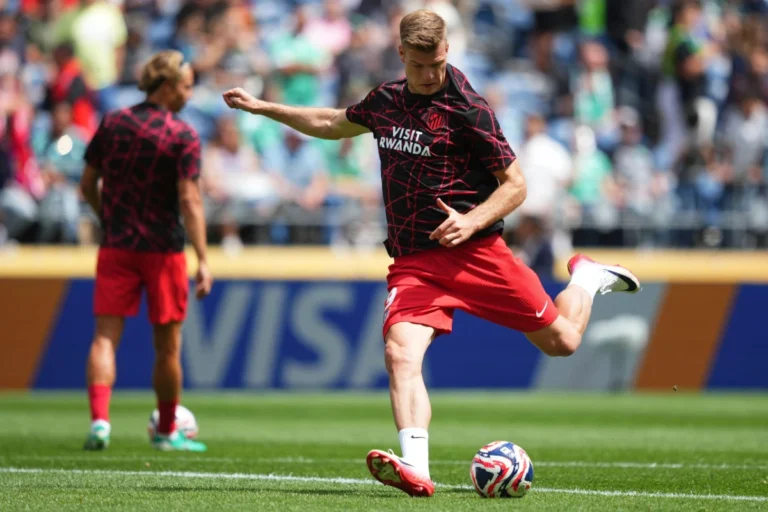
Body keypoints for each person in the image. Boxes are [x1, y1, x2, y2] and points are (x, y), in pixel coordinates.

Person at [223, 9, 640, 497]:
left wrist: (471, 219)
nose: (431, 74)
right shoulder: (385, 101)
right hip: (414, 262)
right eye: (421, 65)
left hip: (477, 253)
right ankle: (416, 466)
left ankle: (587, 278)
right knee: (400, 354)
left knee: (563, 341)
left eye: (438, 63)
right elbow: (333, 122)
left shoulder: (468, 107)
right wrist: (263, 108)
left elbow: (516, 185)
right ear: (402, 55)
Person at [80, 50, 212, 452]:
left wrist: (109, 219)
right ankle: (168, 430)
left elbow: (87, 184)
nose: (190, 95)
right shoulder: (182, 134)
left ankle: (100, 422)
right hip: (164, 250)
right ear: (169, 86)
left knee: (105, 337)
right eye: (187, 87)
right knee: (168, 347)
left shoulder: (113, 122)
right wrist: (204, 257)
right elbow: (189, 200)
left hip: (117, 246)